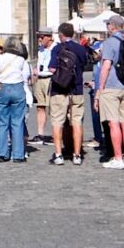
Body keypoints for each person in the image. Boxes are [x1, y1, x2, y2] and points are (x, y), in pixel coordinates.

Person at [96, 14, 124, 170]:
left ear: (113, 26)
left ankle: (118, 157)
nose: (107, 27)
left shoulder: (109, 43)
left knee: (113, 123)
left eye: (108, 24)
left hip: (111, 86)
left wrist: (100, 88)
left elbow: (106, 66)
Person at [47, 22, 88, 165]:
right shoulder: (81, 49)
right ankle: (77, 155)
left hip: (59, 90)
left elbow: (52, 69)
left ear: (60, 34)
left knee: (57, 122)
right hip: (76, 89)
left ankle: (58, 155)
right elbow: (83, 66)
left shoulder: (57, 49)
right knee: (77, 122)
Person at [0, 36, 29, 163]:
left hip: (3, 88)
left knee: (2, 122)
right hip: (17, 88)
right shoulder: (21, 59)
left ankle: (2, 153)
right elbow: (25, 75)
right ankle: (18, 154)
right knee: (17, 122)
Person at [31, 28, 56, 144]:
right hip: (40, 79)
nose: (40, 39)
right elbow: (40, 63)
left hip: (50, 78)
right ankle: (40, 134)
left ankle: (55, 134)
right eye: (39, 37)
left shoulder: (56, 48)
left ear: (49, 37)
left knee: (53, 107)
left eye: (42, 37)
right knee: (40, 107)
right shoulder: (41, 49)